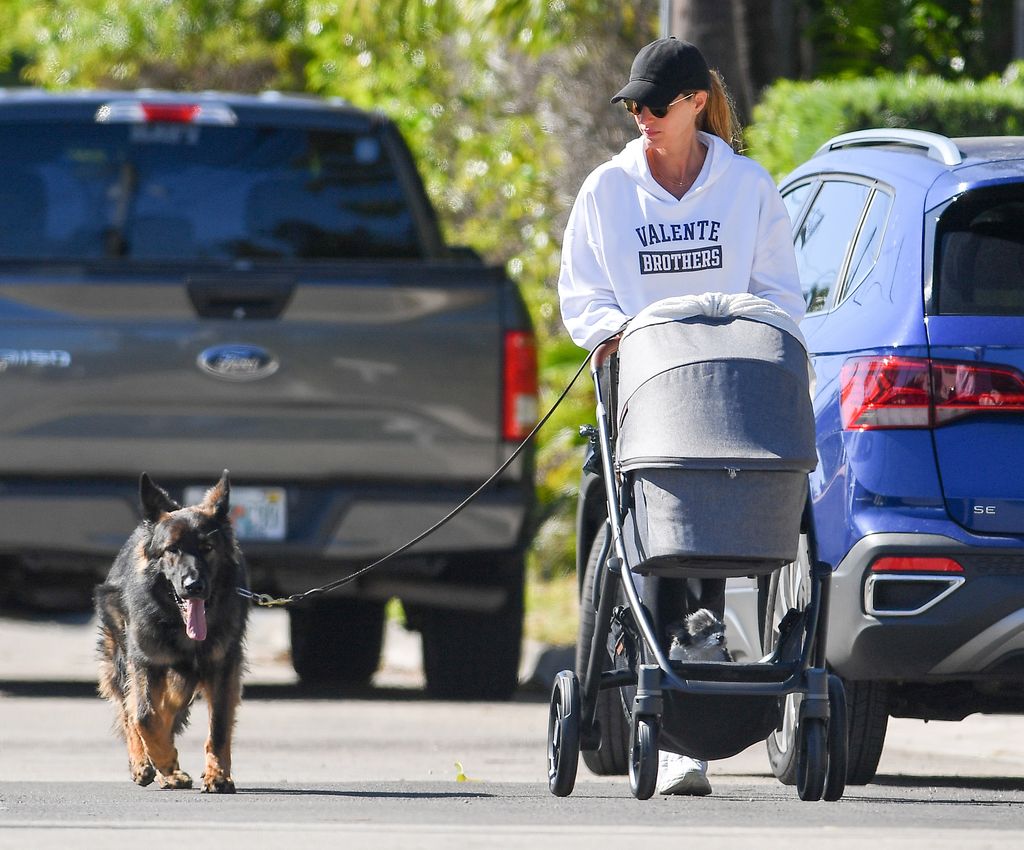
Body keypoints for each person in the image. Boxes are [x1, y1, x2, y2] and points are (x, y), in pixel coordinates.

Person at [557, 37, 804, 796]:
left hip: (726, 400)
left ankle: (695, 688)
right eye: (632, 105)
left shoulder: (747, 187)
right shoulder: (608, 191)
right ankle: (664, 721)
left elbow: (780, 297)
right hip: (640, 396)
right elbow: (583, 293)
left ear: (697, 103)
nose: (641, 118)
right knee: (644, 540)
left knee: (714, 540)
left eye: (655, 105)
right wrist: (619, 337)